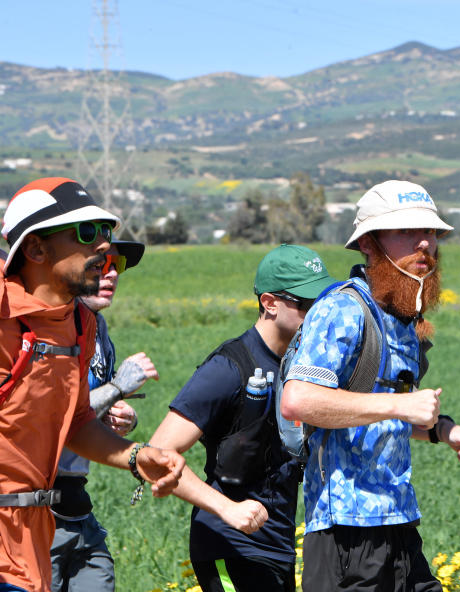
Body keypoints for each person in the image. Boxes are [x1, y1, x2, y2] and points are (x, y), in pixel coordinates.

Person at [280, 180, 460, 592]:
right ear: (370, 243)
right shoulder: (342, 309)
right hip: (346, 531)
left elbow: (378, 413)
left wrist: (443, 430)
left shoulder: (403, 317)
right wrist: (399, 408)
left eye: (431, 233)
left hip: (399, 520)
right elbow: (299, 400)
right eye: (407, 231)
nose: (425, 243)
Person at [0, 177, 185, 592]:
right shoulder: (4, 317)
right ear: (35, 248)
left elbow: (78, 420)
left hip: (31, 538)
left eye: (105, 232)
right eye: (86, 233)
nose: (103, 246)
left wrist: (136, 456)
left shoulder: (79, 325)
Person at [150, 244, 335, 592]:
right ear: (269, 303)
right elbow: (157, 455)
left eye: (322, 302)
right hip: (230, 547)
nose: (318, 313)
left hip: (278, 549)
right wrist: (227, 509)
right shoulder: (229, 367)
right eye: (306, 304)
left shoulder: (304, 369)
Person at [50, 240, 158, 592]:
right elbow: (54, 416)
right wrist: (115, 387)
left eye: (117, 265)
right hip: (35, 503)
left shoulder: (99, 330)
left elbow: (86, 410)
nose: (110, 274)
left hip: (76, 499)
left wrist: (116, 416)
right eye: (101, 264)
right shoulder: (52, 329)